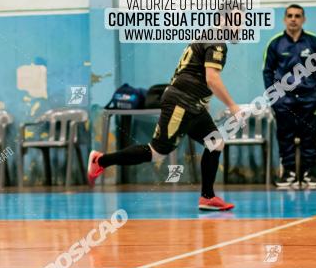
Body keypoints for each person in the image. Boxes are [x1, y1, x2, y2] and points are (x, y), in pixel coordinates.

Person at [88, 37, 241, 211]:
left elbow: (192, 72)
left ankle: (207, 197)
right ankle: (100, 160)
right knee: (156, 153)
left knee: (216, 142)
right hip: (182, 103)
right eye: (238, 19)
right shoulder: (217, 42)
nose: (241, 26)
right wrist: (232, 105)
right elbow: (212, 79)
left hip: (193, 104)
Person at [262, 4, 316, 188]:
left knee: (309, 137)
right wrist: (274, 97)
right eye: (290, 16)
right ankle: (289, 174)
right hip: (283, 101)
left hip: (310, 100)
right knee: (285, 137)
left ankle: (310, 173)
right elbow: (267, 72)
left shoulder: (313, 43)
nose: (293, 19)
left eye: (297, 15)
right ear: (285, 19)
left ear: (303, 19)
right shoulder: (275, 43)